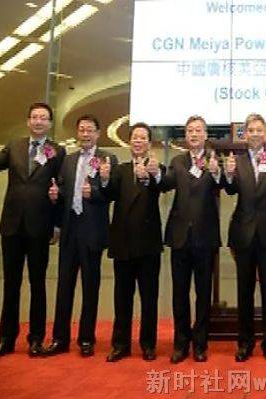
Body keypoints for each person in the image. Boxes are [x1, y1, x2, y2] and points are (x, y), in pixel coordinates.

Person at [0, 102, 64, 359]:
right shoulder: (14, 146)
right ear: (28, 121)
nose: (38, 121)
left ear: (50, 123)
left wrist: (57, 223)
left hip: (40, 227)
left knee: (37, 284)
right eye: (34, 117)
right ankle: (6, 338)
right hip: (12, 226)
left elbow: (61, 189)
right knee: (11, 284)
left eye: (43, 118)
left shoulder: (57, 151)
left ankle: (36, 339)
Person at [44, 114, 117, 358]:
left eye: (90, 130)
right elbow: (63, 191)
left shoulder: (108, 158)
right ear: (77, 133)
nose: (85, 134)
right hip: (69, 228)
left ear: (98, 133)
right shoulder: (68, 159)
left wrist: (95, 190)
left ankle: (86, 338)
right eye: (82, 130)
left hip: (92, 230)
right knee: (64, 285)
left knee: (90, 287)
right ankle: (60, 338)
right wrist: (56, 196)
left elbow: (112, 192)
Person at [224, 113, 266, 363]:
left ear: (265, 134)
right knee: (244, 292)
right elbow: (230, 189)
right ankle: (245, 343)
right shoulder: (237, 161)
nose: (255, 134)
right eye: (250, 130)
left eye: (259, 130)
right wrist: (228, 174)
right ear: (245, 134)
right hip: (243, 235)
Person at [160, 115, 222, 363]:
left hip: (205, 238)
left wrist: (218, 173)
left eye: (198, 131)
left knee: (203, 294)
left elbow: (226, 185)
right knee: (180, 294)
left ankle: (200, 344)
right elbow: (165, 183)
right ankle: (181, 343)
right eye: (190, 131)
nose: (194, 135)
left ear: (205, 135)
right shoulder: (178, 161)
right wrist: (153, 174)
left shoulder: (214, 161)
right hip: (180, 237)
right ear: (186, 136)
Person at [103, 122, 165, 362]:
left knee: (149, 298)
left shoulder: (155, 168)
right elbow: (108, 194)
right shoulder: (120, 169)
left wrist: (150, 176)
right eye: (135, 138)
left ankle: (148, 344)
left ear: (149, 143)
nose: (138, 141)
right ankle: (120, 345)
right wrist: (104, 179)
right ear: (129, 142)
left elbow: (165, 184)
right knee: (122, 298)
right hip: (122, 244)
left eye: (142, 138)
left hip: (148, 245)